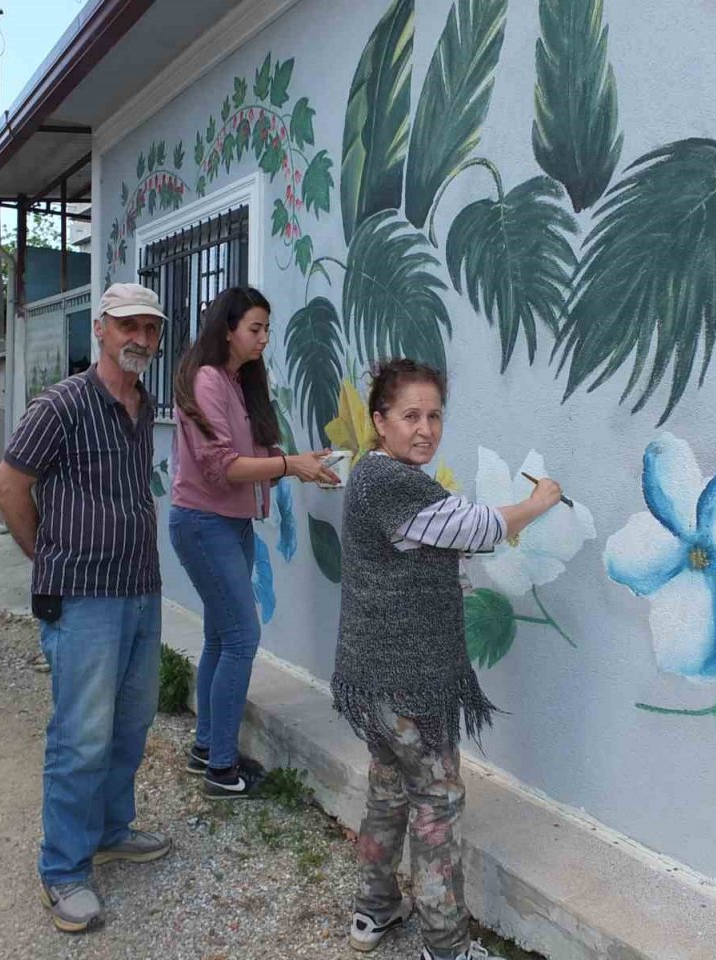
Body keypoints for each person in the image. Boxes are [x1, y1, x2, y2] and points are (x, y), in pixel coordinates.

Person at [331, 359, 563, 960]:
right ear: (380, 422)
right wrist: (539, 502)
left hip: (373, 679)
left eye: (434, 416)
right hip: (410, 684)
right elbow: (477, 526)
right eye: (410, 416)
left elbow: (438, 538)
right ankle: (447, 946)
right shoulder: (393, 483)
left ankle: (372, 912)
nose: (425, 429)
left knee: (389, 789)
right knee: (436, 802)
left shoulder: (372, 475)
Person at [0, 282, 172, 933]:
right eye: (129, 326)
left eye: (151, 329)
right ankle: (63, 869)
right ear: (100, 328)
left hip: (140, 590)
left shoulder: (143, 403)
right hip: (84, 598)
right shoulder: (61, 404)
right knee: (81, 734)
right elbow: (9, 487)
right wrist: (44, 556)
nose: (142, 339)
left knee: (130, 722)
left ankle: (110, 829)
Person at [169, 286, 338, 799]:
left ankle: (208, 749)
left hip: (231, 523)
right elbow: (225, 468)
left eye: (267, 329)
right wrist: (291, 465)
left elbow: (256, 452)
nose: (265, 339)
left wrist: (306, 463)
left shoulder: (239, 382)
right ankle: (222, 770)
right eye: (255, 329)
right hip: (203, 523)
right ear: (227, 329)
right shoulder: (207, 381)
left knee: (223, 638)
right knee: (242, 637)